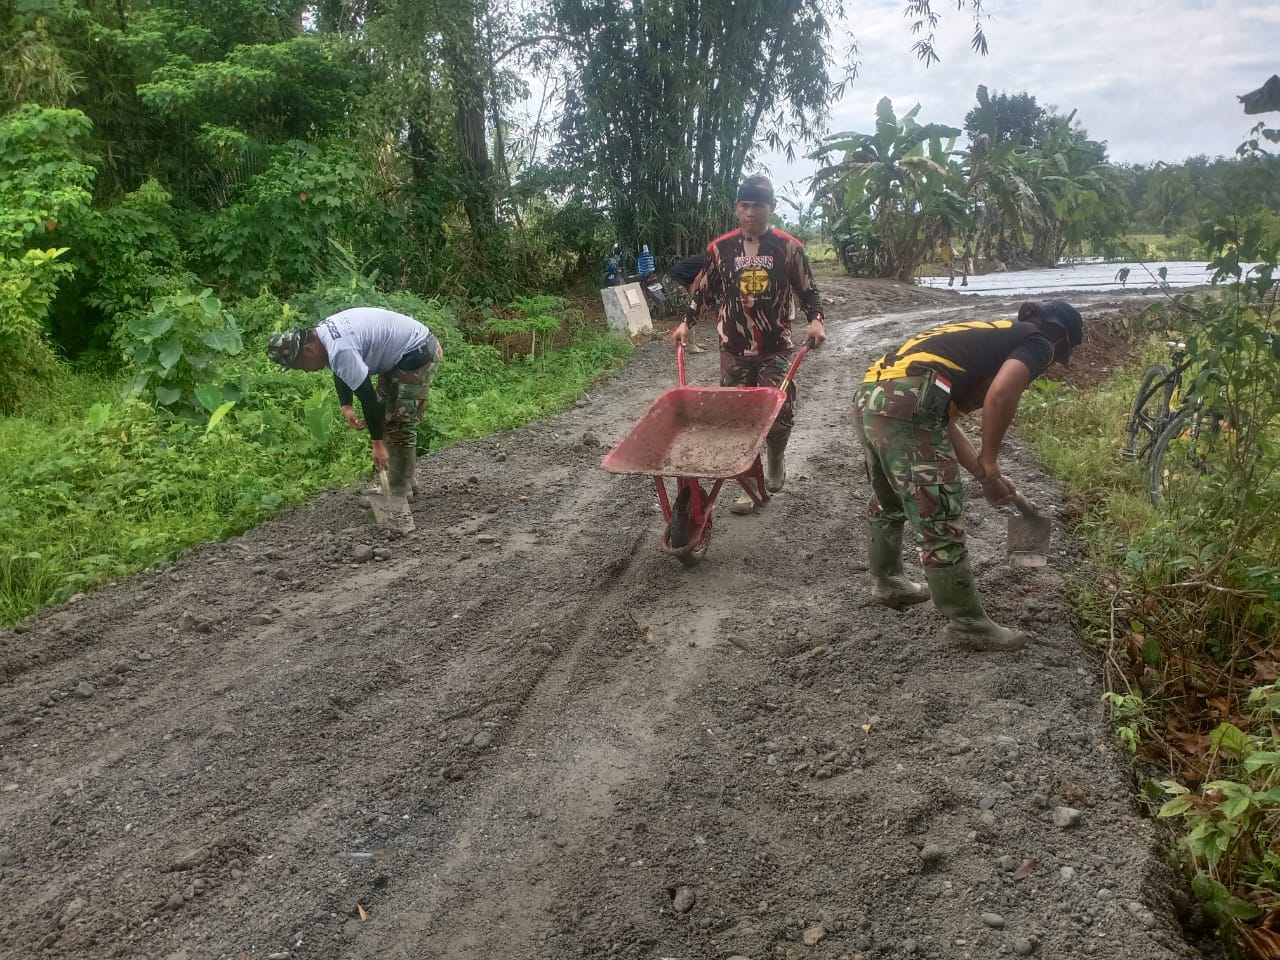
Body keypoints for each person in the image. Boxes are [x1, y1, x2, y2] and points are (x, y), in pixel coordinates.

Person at [853, 300, 1084, 651]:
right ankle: (968, 625)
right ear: (1061, 338)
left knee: (889, 500)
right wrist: (990, 460)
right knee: (940, 515)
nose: (1050, 363)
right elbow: (1002, 393)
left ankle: (888, 582)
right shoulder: (1040, 342)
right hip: (907, 402)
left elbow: (942, 418)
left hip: (872, 396)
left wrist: (982, 472)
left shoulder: (985, 339)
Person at [669, 175, 826, 512]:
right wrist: (686, 323)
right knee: (739, 420)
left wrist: (816, 320)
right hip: (734, 348)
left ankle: (775, 457)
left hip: (776, 346)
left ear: (771, 208)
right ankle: (750, 486)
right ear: (736, 207)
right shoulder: (720, 248)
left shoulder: (788, 247)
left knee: (779, 414)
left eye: (758, 205)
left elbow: (808, 290)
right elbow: (704, 292)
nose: (751, 212)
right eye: (745, 205)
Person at [267, 307, 443, 498]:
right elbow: (339, 367)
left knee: (399, 421)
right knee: (385, 415)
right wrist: (347, 405)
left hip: (418, 352)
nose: (305, 371)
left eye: (300, 366)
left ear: (308, 349)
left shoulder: (340, 348)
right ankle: (403, 481)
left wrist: (377, 446)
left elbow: (367, 399)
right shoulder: (323, 335)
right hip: (399, 354)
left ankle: (398, 490)